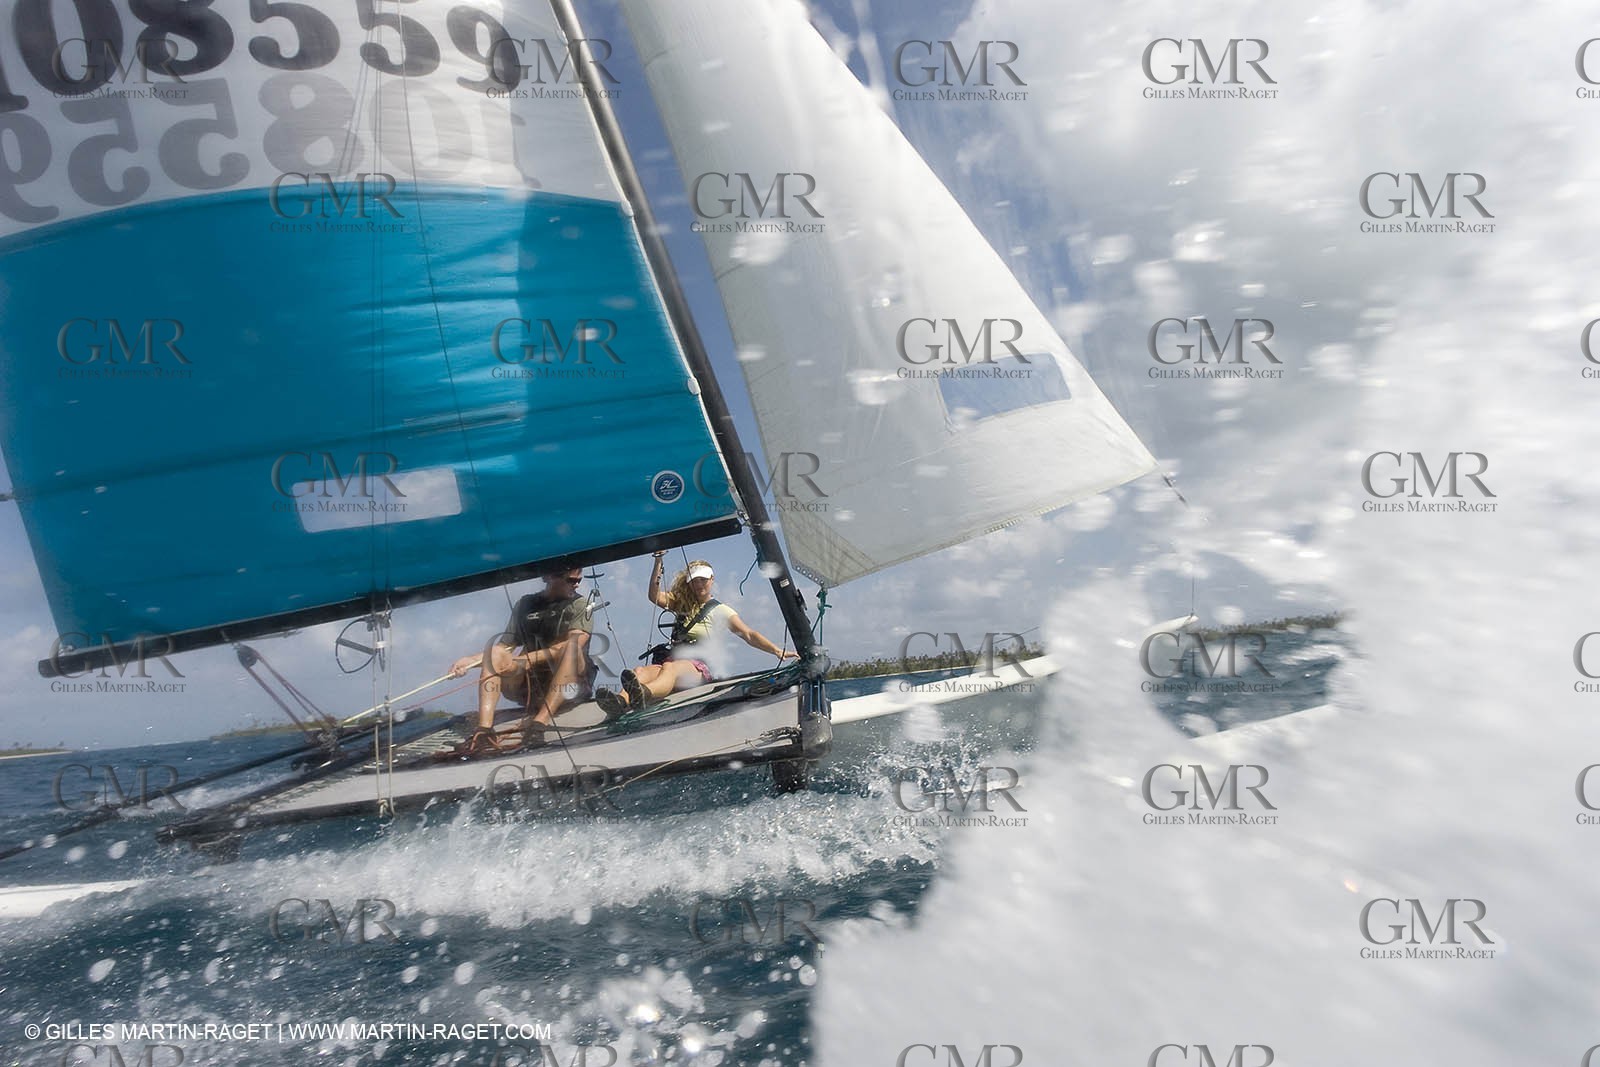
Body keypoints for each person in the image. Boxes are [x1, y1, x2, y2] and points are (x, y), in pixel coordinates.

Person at [593, 553, 796, 716]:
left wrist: (777, 650)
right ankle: (620, 702)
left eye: (703, 580)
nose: (699, 584)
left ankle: (644, 694)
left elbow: (748, 634)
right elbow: (653, 596)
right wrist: (658, 561)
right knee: (639, 671)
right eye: (694, 580)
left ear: (711, 579)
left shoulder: (721, 610)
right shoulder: (681, 604)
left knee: (670, 668)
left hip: (699, 670)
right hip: (672, 663)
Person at [445, 567, 595, 755]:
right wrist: (469, 661)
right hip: (530, 687)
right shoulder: (525, 604)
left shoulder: (581, 604)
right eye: (571, 580)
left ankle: (539, 724)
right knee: (494, 653)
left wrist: (527, 659)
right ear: (549, 576)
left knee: (571, 649)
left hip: (571, 686)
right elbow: (503, 649)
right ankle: (484, 731)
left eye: (578, 580)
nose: (577, 584)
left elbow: (573, 644)